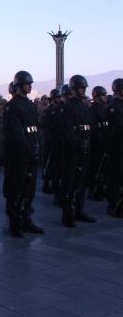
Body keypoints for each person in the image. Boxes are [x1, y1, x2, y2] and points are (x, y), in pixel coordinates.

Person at [3, 71, 45, 237]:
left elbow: (34, 129)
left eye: (30, 83)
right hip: (19, 155)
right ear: (19, 85)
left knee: (30, 189)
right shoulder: (12, 106)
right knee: (16, 188)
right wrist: (28, 151)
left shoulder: (30, 105)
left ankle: (26, 218)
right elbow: (16, 133)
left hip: (30, 154)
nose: (30, 86)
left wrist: (36, 148)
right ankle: (15, 221)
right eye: (27, 83)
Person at [59, 75, 96, 227]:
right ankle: (67, 212)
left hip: (84, 148)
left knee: (82, 182)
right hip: (73, 150)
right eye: (81, 87)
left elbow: (89, 127)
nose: (83, 90)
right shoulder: (68, 107)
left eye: (84, 88)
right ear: (73, 89)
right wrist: (78, 144)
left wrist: (87, 145)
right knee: (70, 182)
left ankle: (79, 210)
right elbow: (67, 131)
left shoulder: (84, 106)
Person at [87, 86, 109, 201]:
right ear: (96, 96)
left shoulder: (105, 108)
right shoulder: (93, 109)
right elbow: (94, 127)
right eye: (103, 95)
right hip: (97, 143)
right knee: (95, 167)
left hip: (105, 141)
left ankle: (99, 187)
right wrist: (101, 139)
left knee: (103, 167)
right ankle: (93, 189)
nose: (105, 97)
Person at [106, 78, 123, 217]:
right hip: (117, 147)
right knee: (115, 177)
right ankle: (113, 204)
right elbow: (118, 126)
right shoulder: (113, 107)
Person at [41, 89, 61, 193]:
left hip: (55, 140)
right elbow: (45, 127)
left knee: (54, 164)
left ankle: (53, 183)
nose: (59, 99)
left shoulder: (58, 110)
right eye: (58, 97)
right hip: (49, 141)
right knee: (48, 162)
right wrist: (50, 139)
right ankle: (46, 184)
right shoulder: (47, 111)